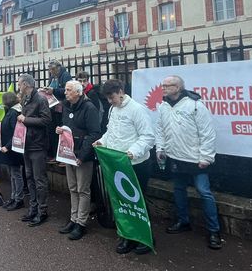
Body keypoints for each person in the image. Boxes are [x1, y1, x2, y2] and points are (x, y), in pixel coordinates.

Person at [155, 75, 222, 250]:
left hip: (195, 158)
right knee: (178, 189)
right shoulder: (163, 106)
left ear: (177, 87)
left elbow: (207, 132)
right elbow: (160, 129)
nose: (163, 88)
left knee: (204, 192)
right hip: (175, 156)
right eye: (163, 86)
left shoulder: (195, 105)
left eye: (167, 86)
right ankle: (183, 221)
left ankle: (214, 230)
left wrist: (206, 157)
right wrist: (160, 149)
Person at [93, 79, 155, 254]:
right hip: (118, 164)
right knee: (122, 202)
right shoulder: (113, 109)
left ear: (120, 91)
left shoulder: (137, 109)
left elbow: (148, 137)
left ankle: (145, 237)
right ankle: (128, 236)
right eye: (107, 98)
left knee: (137, 202)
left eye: (111, 96)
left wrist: (133, 152)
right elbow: (111, 131)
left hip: (136, 164)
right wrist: (102, 141)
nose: (110, 101)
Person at [56, 80, 100, 240]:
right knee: (73, 188)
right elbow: (68, 128)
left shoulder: (89, 108)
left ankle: (81, 223)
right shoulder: (67, 107)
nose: (65, 92)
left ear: (78, 92)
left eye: (68, 90)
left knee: (83, 190)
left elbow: (95, 133)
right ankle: (73, 219)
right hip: (69, 155)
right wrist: (60, 130)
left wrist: (82, 155)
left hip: (83, 157)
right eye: (66, 90)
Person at [17, 73, 51, 227]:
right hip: (27, 144)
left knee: (39, 180)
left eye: (19, 83)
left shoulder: (41, 99)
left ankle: (42, 211)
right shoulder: (25, 99)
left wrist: (26, 120)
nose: (18, 86)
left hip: (38, 145)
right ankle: (33, 208)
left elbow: (46, 120)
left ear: (26, 84)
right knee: (29, 177)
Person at [0, 92, 25, 211]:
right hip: (10, 148)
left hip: (13, 148)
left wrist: (8, 146)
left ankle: (19, 199)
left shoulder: (14, 112)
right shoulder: (11, 111)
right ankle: (14, 197)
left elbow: (16, 132)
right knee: (12, 174)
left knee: (16, 174)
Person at [44, 60, 71, 162]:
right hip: (53, 108)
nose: (51, 71)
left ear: (59, 67)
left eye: (53, 69)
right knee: (52, 132)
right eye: (50, 70)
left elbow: (67, 90)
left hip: (62, 109)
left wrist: (54, 91)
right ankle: (54, 154)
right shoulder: (52, 77)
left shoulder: (65, 75)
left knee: (61, 131)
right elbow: (51, 88)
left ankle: (61, 156)